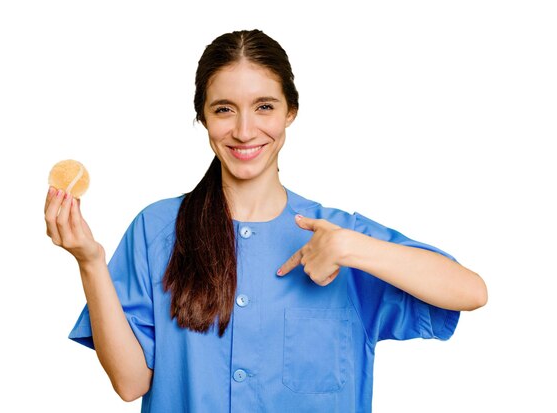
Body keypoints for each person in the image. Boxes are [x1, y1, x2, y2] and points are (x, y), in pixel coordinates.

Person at [44, 29, 487, 413]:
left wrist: (354, 249)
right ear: (202, 116)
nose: (243, 130)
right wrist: (90, 261)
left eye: (264, 106)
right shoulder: (156, 229)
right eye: (223, 109)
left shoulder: (340, 235)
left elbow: (470, 291)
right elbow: (130, 383)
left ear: (290, 111)